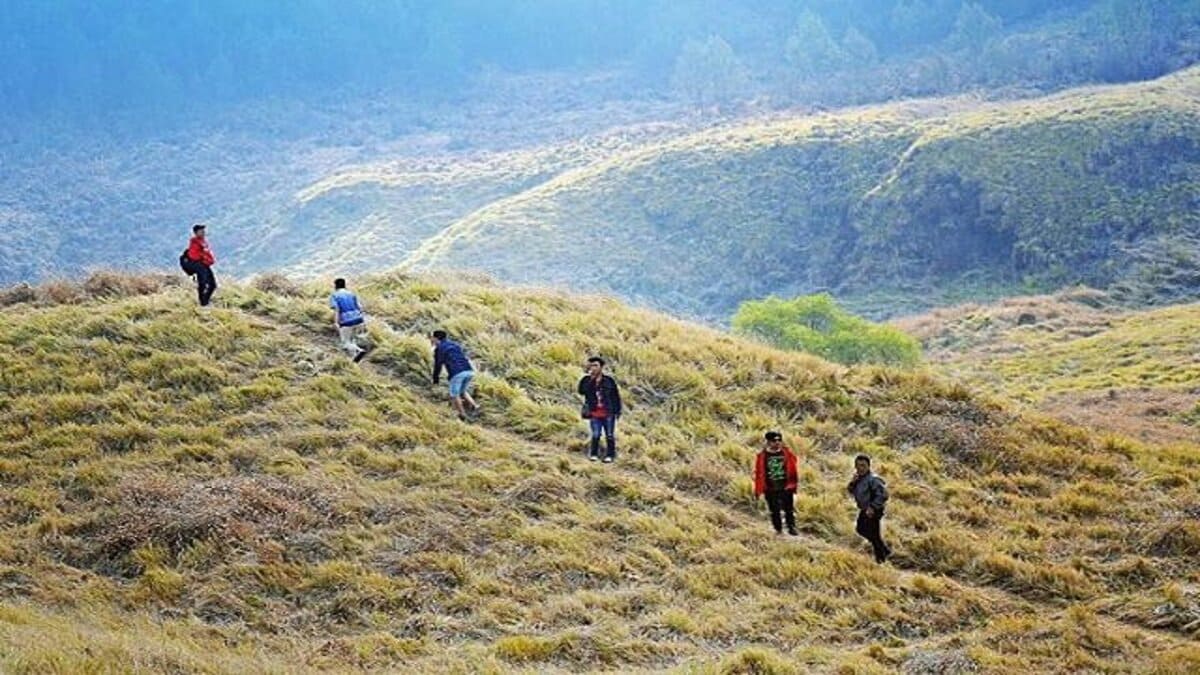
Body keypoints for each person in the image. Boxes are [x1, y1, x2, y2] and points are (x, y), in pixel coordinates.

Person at [754, 431, 800, 536]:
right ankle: (778, 529)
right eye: (774, 440)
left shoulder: (786, 453)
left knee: (789, 509)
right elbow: (759, 473)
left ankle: (791, 527)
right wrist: (758, 490)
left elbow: (794, 464)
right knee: (774, 510)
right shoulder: (762, 456)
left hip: (786, 486)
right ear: (768, 442)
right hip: (770, 488)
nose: (777, 442)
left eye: (779, 440)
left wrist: (793, 484)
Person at [847, 454, 891, 563]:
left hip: (873, 511)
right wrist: (853, 482)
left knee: (874, 535)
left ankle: (881, 559)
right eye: (857, 465)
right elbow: (851, 491)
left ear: (868, 466)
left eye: (863, 465)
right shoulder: (858, 478)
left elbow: (883, 495)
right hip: (864, 509)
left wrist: (873, 507)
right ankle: (884, 551)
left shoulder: (873, 479)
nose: (860, 468)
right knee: (861, 529)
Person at [577, 356, 622, 463]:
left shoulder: (609, 381)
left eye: (596, 365)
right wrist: (592, 380)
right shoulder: (586, 380)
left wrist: (618, 410)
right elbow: (582, 391)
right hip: (594, 412)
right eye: (591, 365)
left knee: (609, 435)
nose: (593, 368)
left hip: (608, 412)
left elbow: (615, 396)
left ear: (601, 367)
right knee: (596, 434)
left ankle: (610, 455)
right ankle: (593, 454)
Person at [431, 330, 478, 420]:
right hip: (469, 370)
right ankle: (475, 406)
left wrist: (435, 379)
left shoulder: (439, 349)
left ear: (436, 338)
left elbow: (438, 365)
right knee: (462, 391)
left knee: (454, 395)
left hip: (457, 373)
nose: (431, 339)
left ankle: (462, 415)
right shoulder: (455, 344)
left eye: (432, 337)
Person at [330, 278, 369, 363]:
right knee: (352, 340)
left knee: (345, 343)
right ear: (344, 285)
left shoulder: (335, 295)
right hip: (358, 319)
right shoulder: (351, 293)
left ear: (335, 286)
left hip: (346, 321)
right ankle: (354, 360)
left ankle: (359, 351)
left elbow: (337, 310)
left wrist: (336, 322)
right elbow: (360, 307)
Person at [182, 223, 217, 307]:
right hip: (200, 265)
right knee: (203, 284)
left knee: (213, 285)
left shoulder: (203, 241)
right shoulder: (194, 242)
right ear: (196, 232)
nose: (203, 232)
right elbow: (193, 255)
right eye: (201, 231)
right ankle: (203, 303)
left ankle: (205, 301)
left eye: (203, 231)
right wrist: (203, 258)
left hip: (205, 265)